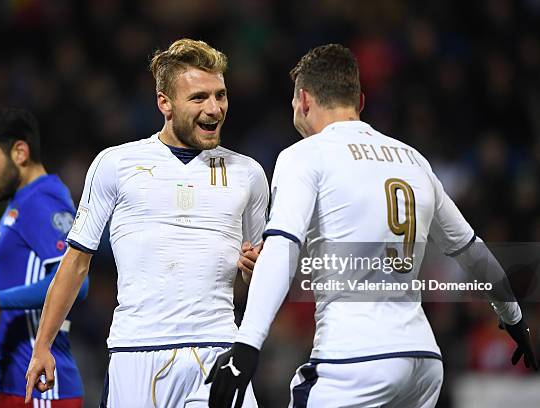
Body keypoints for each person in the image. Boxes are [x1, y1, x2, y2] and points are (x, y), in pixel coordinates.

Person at [206, 44, 537, 407]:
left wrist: (247, 343)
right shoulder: (413, 160)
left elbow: (283, 246)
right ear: (360, 101)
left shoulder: (304, 155)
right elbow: (473, 252)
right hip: (423, 363)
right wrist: (513, 316)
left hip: (355, 359)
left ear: (302, 99)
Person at [25, 39, 268, 407]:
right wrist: (43, 345)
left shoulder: (248, 173)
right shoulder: (116, 165)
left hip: (219, 348)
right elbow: (76, 262)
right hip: (138, 352)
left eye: (220, 95)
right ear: (164, 103)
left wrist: (253, 272)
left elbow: (256, 276)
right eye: (199, 97)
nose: (214, 108)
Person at [0, 107, 89, 407]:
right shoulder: (20, 203)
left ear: (20, 152)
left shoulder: (43, 199)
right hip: (7, 380)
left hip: (40, 389)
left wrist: (0, 300)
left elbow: (78, 281)